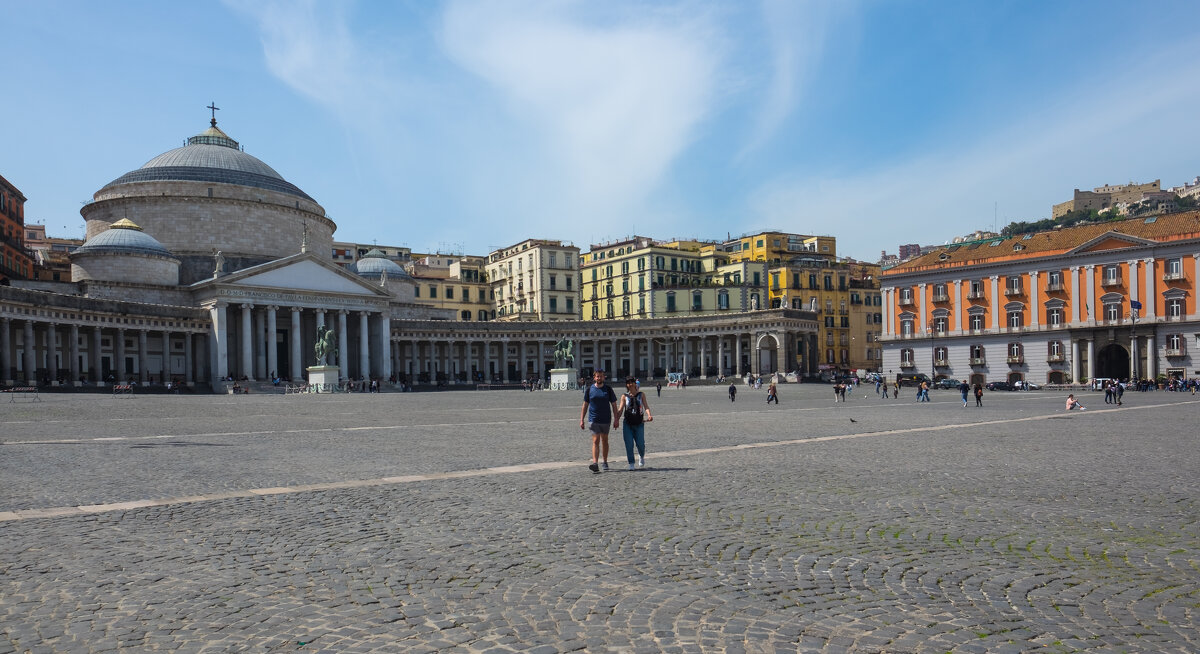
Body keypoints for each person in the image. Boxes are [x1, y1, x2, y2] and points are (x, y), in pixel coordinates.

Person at [580, 369, 619, 473]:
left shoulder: (608, 389)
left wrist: (616, 419)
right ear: (594, 377)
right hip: (593, 419)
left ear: (604, 377)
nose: (599, 378)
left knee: (604, 440)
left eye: (601, 376)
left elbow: (614, 405)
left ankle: (605, 461)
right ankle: (595, 463)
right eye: (597, 376)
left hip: (606, 419)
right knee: (596, 440)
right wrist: (581, 419)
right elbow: (585, 405)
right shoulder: (589, 390)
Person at [615, 376, 652, 470]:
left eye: (632, 382)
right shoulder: (624, 396)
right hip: (627, 423)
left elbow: (646, 406)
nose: (630, 384)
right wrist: (616, 420)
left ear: (635, 383)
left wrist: (649, 415)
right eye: (628, 383)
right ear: (626, 385)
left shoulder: (641, 395)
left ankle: (641, 455)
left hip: (639, 423)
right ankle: (631, 463)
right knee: (629, 444)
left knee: (640, 444)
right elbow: (620, 410)